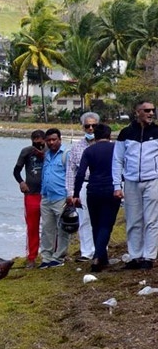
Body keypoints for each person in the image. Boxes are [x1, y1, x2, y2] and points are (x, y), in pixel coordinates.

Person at [112, 100, 158, 270]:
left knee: (151, 220)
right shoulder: (126, 133)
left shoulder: (157, 131)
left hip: (152, 180)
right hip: (131, 181)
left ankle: (149, 256)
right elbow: (117, 160)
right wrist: (117, 185)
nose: (151, 113)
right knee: (133, 219)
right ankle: (135, 256)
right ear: (137, 112)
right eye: (147, 110)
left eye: (153, 110)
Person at [70, 124, 119, 272]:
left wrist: (76, 194)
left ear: (95, 136)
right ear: (109, 136)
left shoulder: (89, 150)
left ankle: (102, 258)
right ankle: (98, 256)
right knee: (106, 225)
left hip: (92, 190)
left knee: (96, 224)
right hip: (110, 189)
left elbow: (80, 174)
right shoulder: (116, 149)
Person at [64, 112, 99, 262]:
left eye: (94, 126)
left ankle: (100, 250)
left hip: (100, 184)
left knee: (100, 219)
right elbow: (71, 171)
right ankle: (86, 252)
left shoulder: (106, 144)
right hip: (83, 185)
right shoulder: (77, 147)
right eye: (87, 126)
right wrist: (71, 192)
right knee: (84, 219)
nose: (90, 129)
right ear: (83, 127)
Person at [13, 130, 46, 269]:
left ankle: (54, 255)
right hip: (31, 194)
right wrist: (21, 182)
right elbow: (16, 171)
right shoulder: (26, 152)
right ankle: (31, 257)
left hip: (48, 194)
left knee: (51, 226)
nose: (38, 145)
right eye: (35, 141)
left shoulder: (51, 151)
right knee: (32, 227)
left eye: (40, 141)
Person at [39, 128, 70, 269]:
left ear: (60, 140)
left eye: (54, 139)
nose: (51, 142)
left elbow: (70, 175)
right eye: (49, 140)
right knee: (47, 229)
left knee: (62, 229)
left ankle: (59, 257)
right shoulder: (46, 155)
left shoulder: (66, 155)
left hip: (61, 197)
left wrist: (70, 195)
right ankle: (46, 257)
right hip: (46, 197)